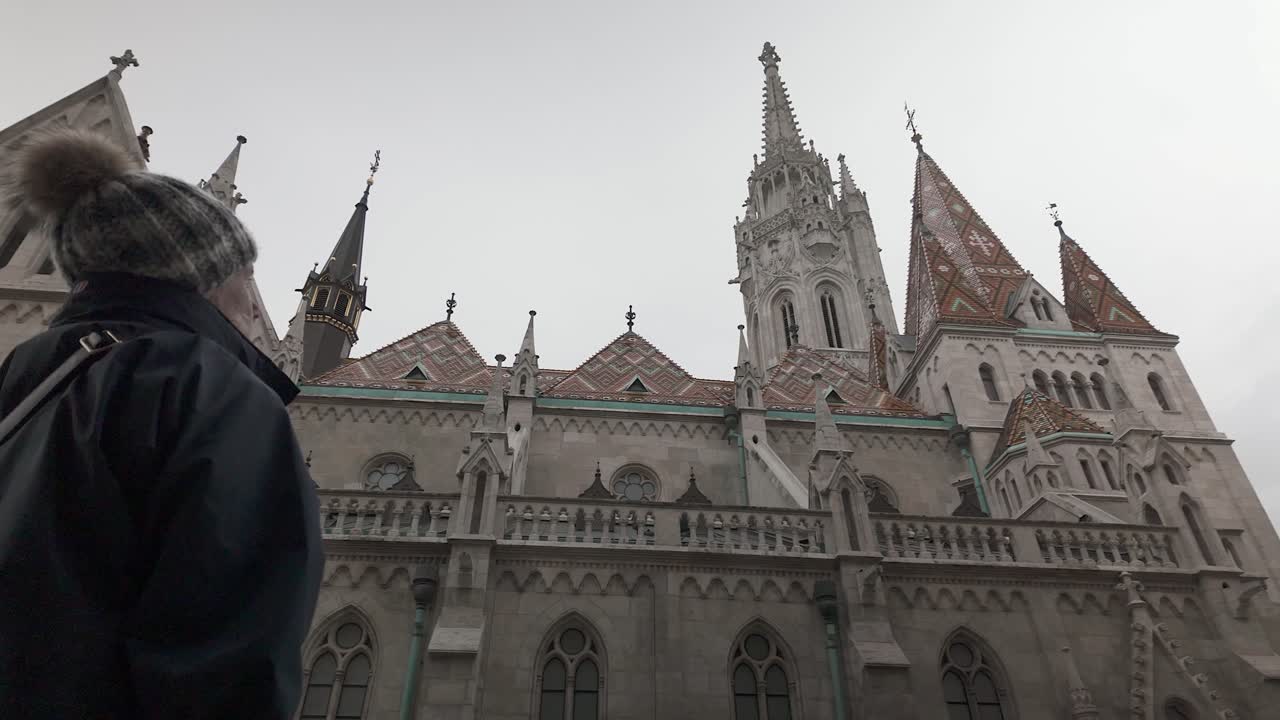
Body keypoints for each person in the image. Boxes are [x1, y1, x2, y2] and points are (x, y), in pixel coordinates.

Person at [0, 130, 323, 718]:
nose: (257, 302)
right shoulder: (201, 384)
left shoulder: (24, 378)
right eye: (244, 272)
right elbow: (226, 661)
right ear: (195, 276)